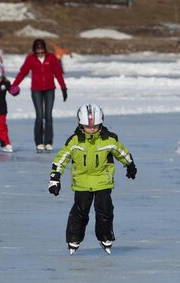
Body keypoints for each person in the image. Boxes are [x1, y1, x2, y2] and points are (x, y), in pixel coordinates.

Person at [47, 104, 137, 255]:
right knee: (80, 211)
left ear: (101, 123)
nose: (91, 129)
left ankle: (105, 236)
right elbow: (61, 159)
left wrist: (130, 165)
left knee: (105, 209)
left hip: (103, 180)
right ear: (80, 124)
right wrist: (55, 178)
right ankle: (74, 238)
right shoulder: (74, 141)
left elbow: (121, 152)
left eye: (95, 126)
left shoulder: (109, 139)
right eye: (87, 127)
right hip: (81, 181)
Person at [11, 38, 67, 153]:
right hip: (36, 90)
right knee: (39, 116)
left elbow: (58, 73)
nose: (40, 54)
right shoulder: (30, 59)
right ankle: (39, 142)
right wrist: (14, 85)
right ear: (35, 50)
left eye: (42, 52)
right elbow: (23, 72)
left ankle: (48, 142)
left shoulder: (51, 58)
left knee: (48, 116)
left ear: (45, 50)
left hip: (50, 90)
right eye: (38, 52)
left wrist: (63, 88)